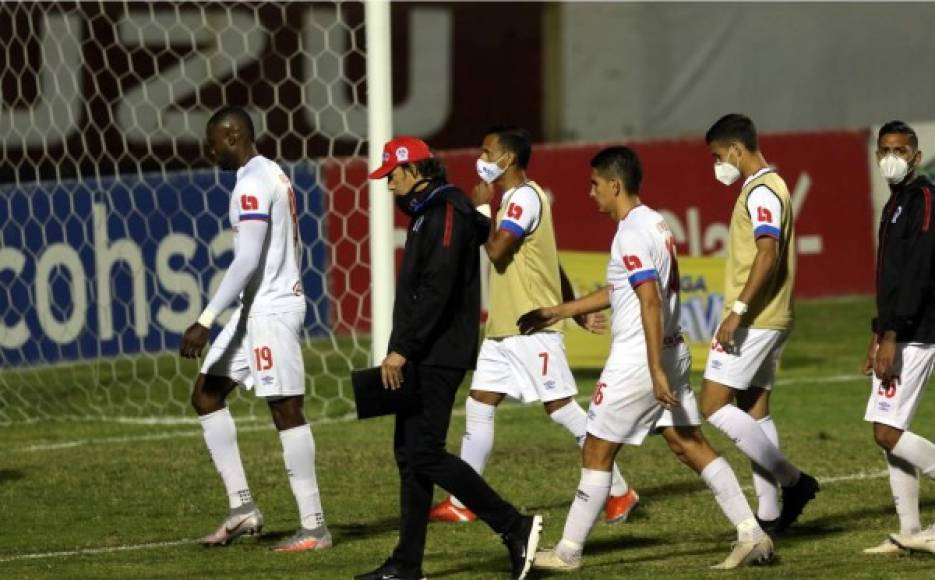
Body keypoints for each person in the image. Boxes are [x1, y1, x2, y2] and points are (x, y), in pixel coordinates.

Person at [520, 146, 772, 572]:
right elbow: (624, 290)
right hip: (670, 351)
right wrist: (560, 311)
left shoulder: (631, 234)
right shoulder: (655, 223)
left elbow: (650, 300)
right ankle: (751, 533)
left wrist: (653, 369)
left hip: (640, 360)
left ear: (614, 185)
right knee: (687, 442)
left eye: (594, 184)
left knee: (597, 450)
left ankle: (567, 553)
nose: (591, 193)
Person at [430, 127, 638, 526]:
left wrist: (479, 211)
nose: (482, 157)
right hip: (504, 327)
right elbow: (550, 262)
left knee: (561, 409)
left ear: (507, 160)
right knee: (479, 403)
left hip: (531, 327)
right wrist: (573, 308)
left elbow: (496, 250)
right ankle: (462, 501)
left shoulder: (523, 199)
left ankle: (619, 490)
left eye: (487, 151)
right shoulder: (516, 199)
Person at [355, 137, 541, 580]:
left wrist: (403, 349)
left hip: (436, 354)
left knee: (423, 452)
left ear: (414, 170)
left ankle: (515, 526)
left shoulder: (442, 210)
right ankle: (407, 563)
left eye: (392, 176)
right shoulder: (438, 211)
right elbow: (470, 242)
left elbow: (437, 288)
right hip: (427, 350)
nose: (388, 185)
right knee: (409, 454)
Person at [179, 107, 330, 552]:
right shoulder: (271, 173)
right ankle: (242, 507)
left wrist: (205, 320)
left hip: (271, 312)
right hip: (254, 313)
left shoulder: (250, 184)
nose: (210, 152)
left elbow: (247, 259)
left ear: (233, 135)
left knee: (286, 410)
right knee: (206, 394)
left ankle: (314, 526)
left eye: (213, 143)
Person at [699, 113, 819, 532]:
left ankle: (794, 481)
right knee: (753, 407)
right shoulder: (775, 185)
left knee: (711, 406)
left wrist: (738, 312)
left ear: (736, 149)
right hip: (774, 315)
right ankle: (769, 515)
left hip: (757, 318)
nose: (717, 165)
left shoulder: (762, 191)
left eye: (718, 156)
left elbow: (767, 253)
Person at [862, 121, 935, 555]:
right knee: (891, 430)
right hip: (895, 331)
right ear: (876, 156)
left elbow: (918, 274)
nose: (892, 155)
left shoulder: (923, 199)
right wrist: (876, 335)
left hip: (917, 332)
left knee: (887, 432)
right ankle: (909, 531)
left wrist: (892, 334)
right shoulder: (895, 205)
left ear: (916, 156)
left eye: (901, 149)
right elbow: (889, 279)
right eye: (885, 148)